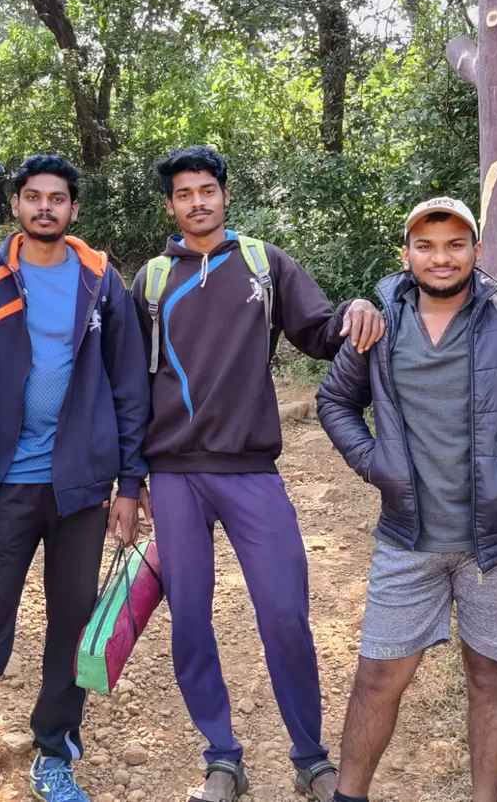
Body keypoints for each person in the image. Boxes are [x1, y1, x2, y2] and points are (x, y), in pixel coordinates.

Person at [130, 146, 384, 802]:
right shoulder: (151, 279)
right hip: (175, 474)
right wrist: (127, 483)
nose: (197, 202)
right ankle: (221, 756)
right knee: (189, 619)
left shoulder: (265, 264)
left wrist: (358, 307)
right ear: (171, 205)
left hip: (250, 470)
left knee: (284, 613)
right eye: (184, 193)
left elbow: (323, 334)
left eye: (207, 189)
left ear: (224, 196)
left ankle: (311, 758)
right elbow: (128, 387)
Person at [315, 197, 497, 802]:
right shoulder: (377, 329)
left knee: (492, 679)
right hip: (408, 537)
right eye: (427, 246)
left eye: (456, 244)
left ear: (477, 251)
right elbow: (335, 402)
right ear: (406, 254)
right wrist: (372, 461)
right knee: (378, 675)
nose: (442, 257)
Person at [0, 154, 150, 802]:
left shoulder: (103, 282)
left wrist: (130, 486)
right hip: (1, 485)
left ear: (73, 209)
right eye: (33, 197)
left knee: (74, 624)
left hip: (80, 487)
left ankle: (55, 754)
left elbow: (131, 387)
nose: (45, 207)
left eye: (57, 198)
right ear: (17, 205)